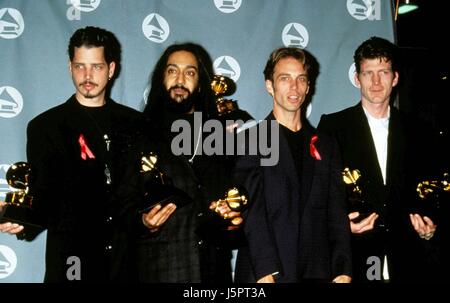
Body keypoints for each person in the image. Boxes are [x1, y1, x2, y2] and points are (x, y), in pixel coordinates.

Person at [0, 26, 144, 282]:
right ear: (70, 67)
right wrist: (21, 217)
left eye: (96, 67)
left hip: (128, 264)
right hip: (69, 264)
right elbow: (42, 196)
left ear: (111, 69)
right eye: (80, 66)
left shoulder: (136, 124)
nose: (87, 75)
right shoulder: (45, 127)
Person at [117, 42, 253, 282]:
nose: (180, 79)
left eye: (189, 72)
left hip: (213, 273)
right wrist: (144, 222)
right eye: (172, 70)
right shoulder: (137, 133)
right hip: (158, 272)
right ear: (161, 78)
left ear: (200, 84)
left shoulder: (222, 136)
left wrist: (232, 222)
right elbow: (120, 208)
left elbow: (233, 214)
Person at [317, 36, 442, 282]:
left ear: (395, 77)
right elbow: (318, 194)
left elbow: (435, 191)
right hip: (353, 258)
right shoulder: (332, 127)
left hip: (410, 259)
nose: (375, 82)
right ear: (357, 79)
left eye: (383, 72)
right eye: (368, 73)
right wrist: (341, 226)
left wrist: (431, 227)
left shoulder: (420, 130)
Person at [233, 47, 352, 283]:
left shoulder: (326, 145)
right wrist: (265, 270)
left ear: (308, 86)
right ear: (270, 85)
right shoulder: (252, 141)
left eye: (301, 79)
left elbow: (336, 213)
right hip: (266, 272)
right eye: (284, 79)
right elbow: (252, 213)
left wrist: (343, 269)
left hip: (317, 271)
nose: (294, 87)